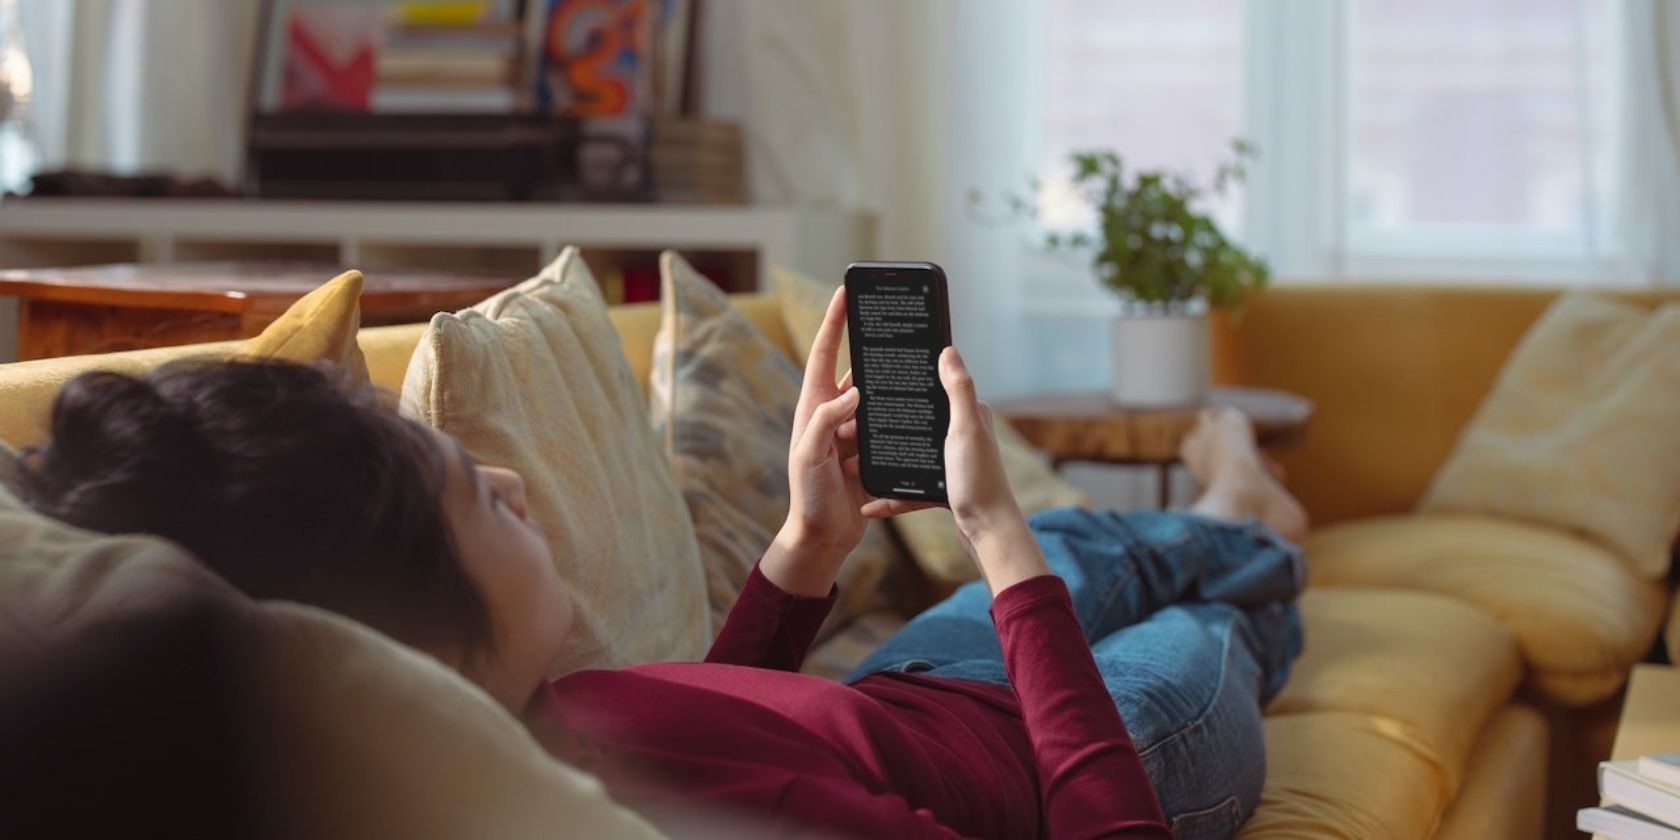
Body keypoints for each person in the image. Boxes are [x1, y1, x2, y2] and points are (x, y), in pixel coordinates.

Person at [16, 288, 1305, 839]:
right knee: (1208, 626)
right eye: (472, 491)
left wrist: (806, 545)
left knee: (1084, 544)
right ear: (409, 626)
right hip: (1085, 746)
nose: (511, 480)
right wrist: (992, 532)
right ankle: (1251, 526)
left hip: (908, 689)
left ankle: (1216, 509)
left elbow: (718, 720)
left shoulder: (535, 728)